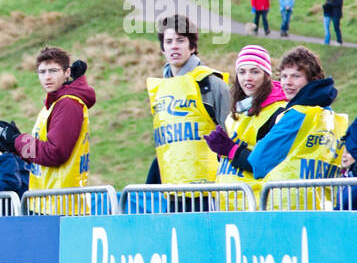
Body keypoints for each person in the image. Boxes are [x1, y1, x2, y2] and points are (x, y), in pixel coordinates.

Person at [245, 47, 349, 196]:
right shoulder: (333, 117)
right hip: (323, 205)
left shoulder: (296, 114)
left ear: (312, 79)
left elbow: (258, 162)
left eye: (296, 76)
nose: (287, 82)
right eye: (284, 76)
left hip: (288, 203)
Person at [0, 48, 95, 199]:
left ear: (67, 73)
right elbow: (42, 151)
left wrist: (18, 141)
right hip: (48, 201)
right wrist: (14, 147)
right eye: (42, 72)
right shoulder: (52, 104)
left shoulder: (68, 104)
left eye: (53, 71)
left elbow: (54, 153)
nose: (47, 77)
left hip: (62, 205)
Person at [145, 13, 230, 186]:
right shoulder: (160, 90)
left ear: (192, 46)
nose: (174, 47)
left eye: (180, 40)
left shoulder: (212, 84)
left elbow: (232, 136)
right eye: (169, 42)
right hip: (172, 189)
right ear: (162, 49)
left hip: (210, 190)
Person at [203, 45, 286, 202]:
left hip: (257, 205)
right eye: (242, 71)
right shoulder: (236, 111)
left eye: (255, 71)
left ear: (267, 75)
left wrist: (230, 150)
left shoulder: (278, 112)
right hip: (229, 204)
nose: (247, 77)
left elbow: (267, 165)